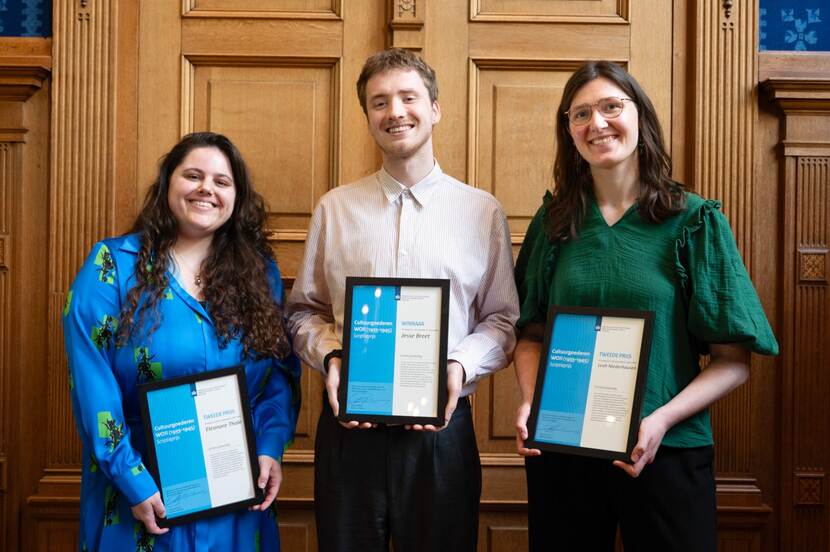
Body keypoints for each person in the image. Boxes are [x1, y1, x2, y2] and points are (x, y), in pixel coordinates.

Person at [513, 61, 778, 551]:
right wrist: (532, 400)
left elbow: (732, 361)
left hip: (666, 449)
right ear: (568, 130)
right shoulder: (553, 223)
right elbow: (529, 336)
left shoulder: (693, 221)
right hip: (565, 446)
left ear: (641, 118)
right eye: (580, 114)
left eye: (611, 107)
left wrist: (659, 422)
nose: (597, 123)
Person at [286, 48, 519, 552]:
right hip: (349, 429)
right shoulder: (335, 209)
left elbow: (502, 320)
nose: (395, 112)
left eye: (408, 98)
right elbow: (304, 310)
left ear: (434, 108)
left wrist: (458, 366)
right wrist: (332, 355)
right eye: (379, 102)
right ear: (367, 115)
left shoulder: (482, 212)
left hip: (442, 433)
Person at [62, 132, 301, 551]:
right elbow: (91, 384)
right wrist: (131, 480)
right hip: (141, 495)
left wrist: (269, 447)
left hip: (235, 491)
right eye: (193, 175)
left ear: (236, 197)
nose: (206, 188)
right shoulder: (111, 267)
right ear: (167, 184)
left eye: (222, 181)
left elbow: (278, 375)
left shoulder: (261, 275)